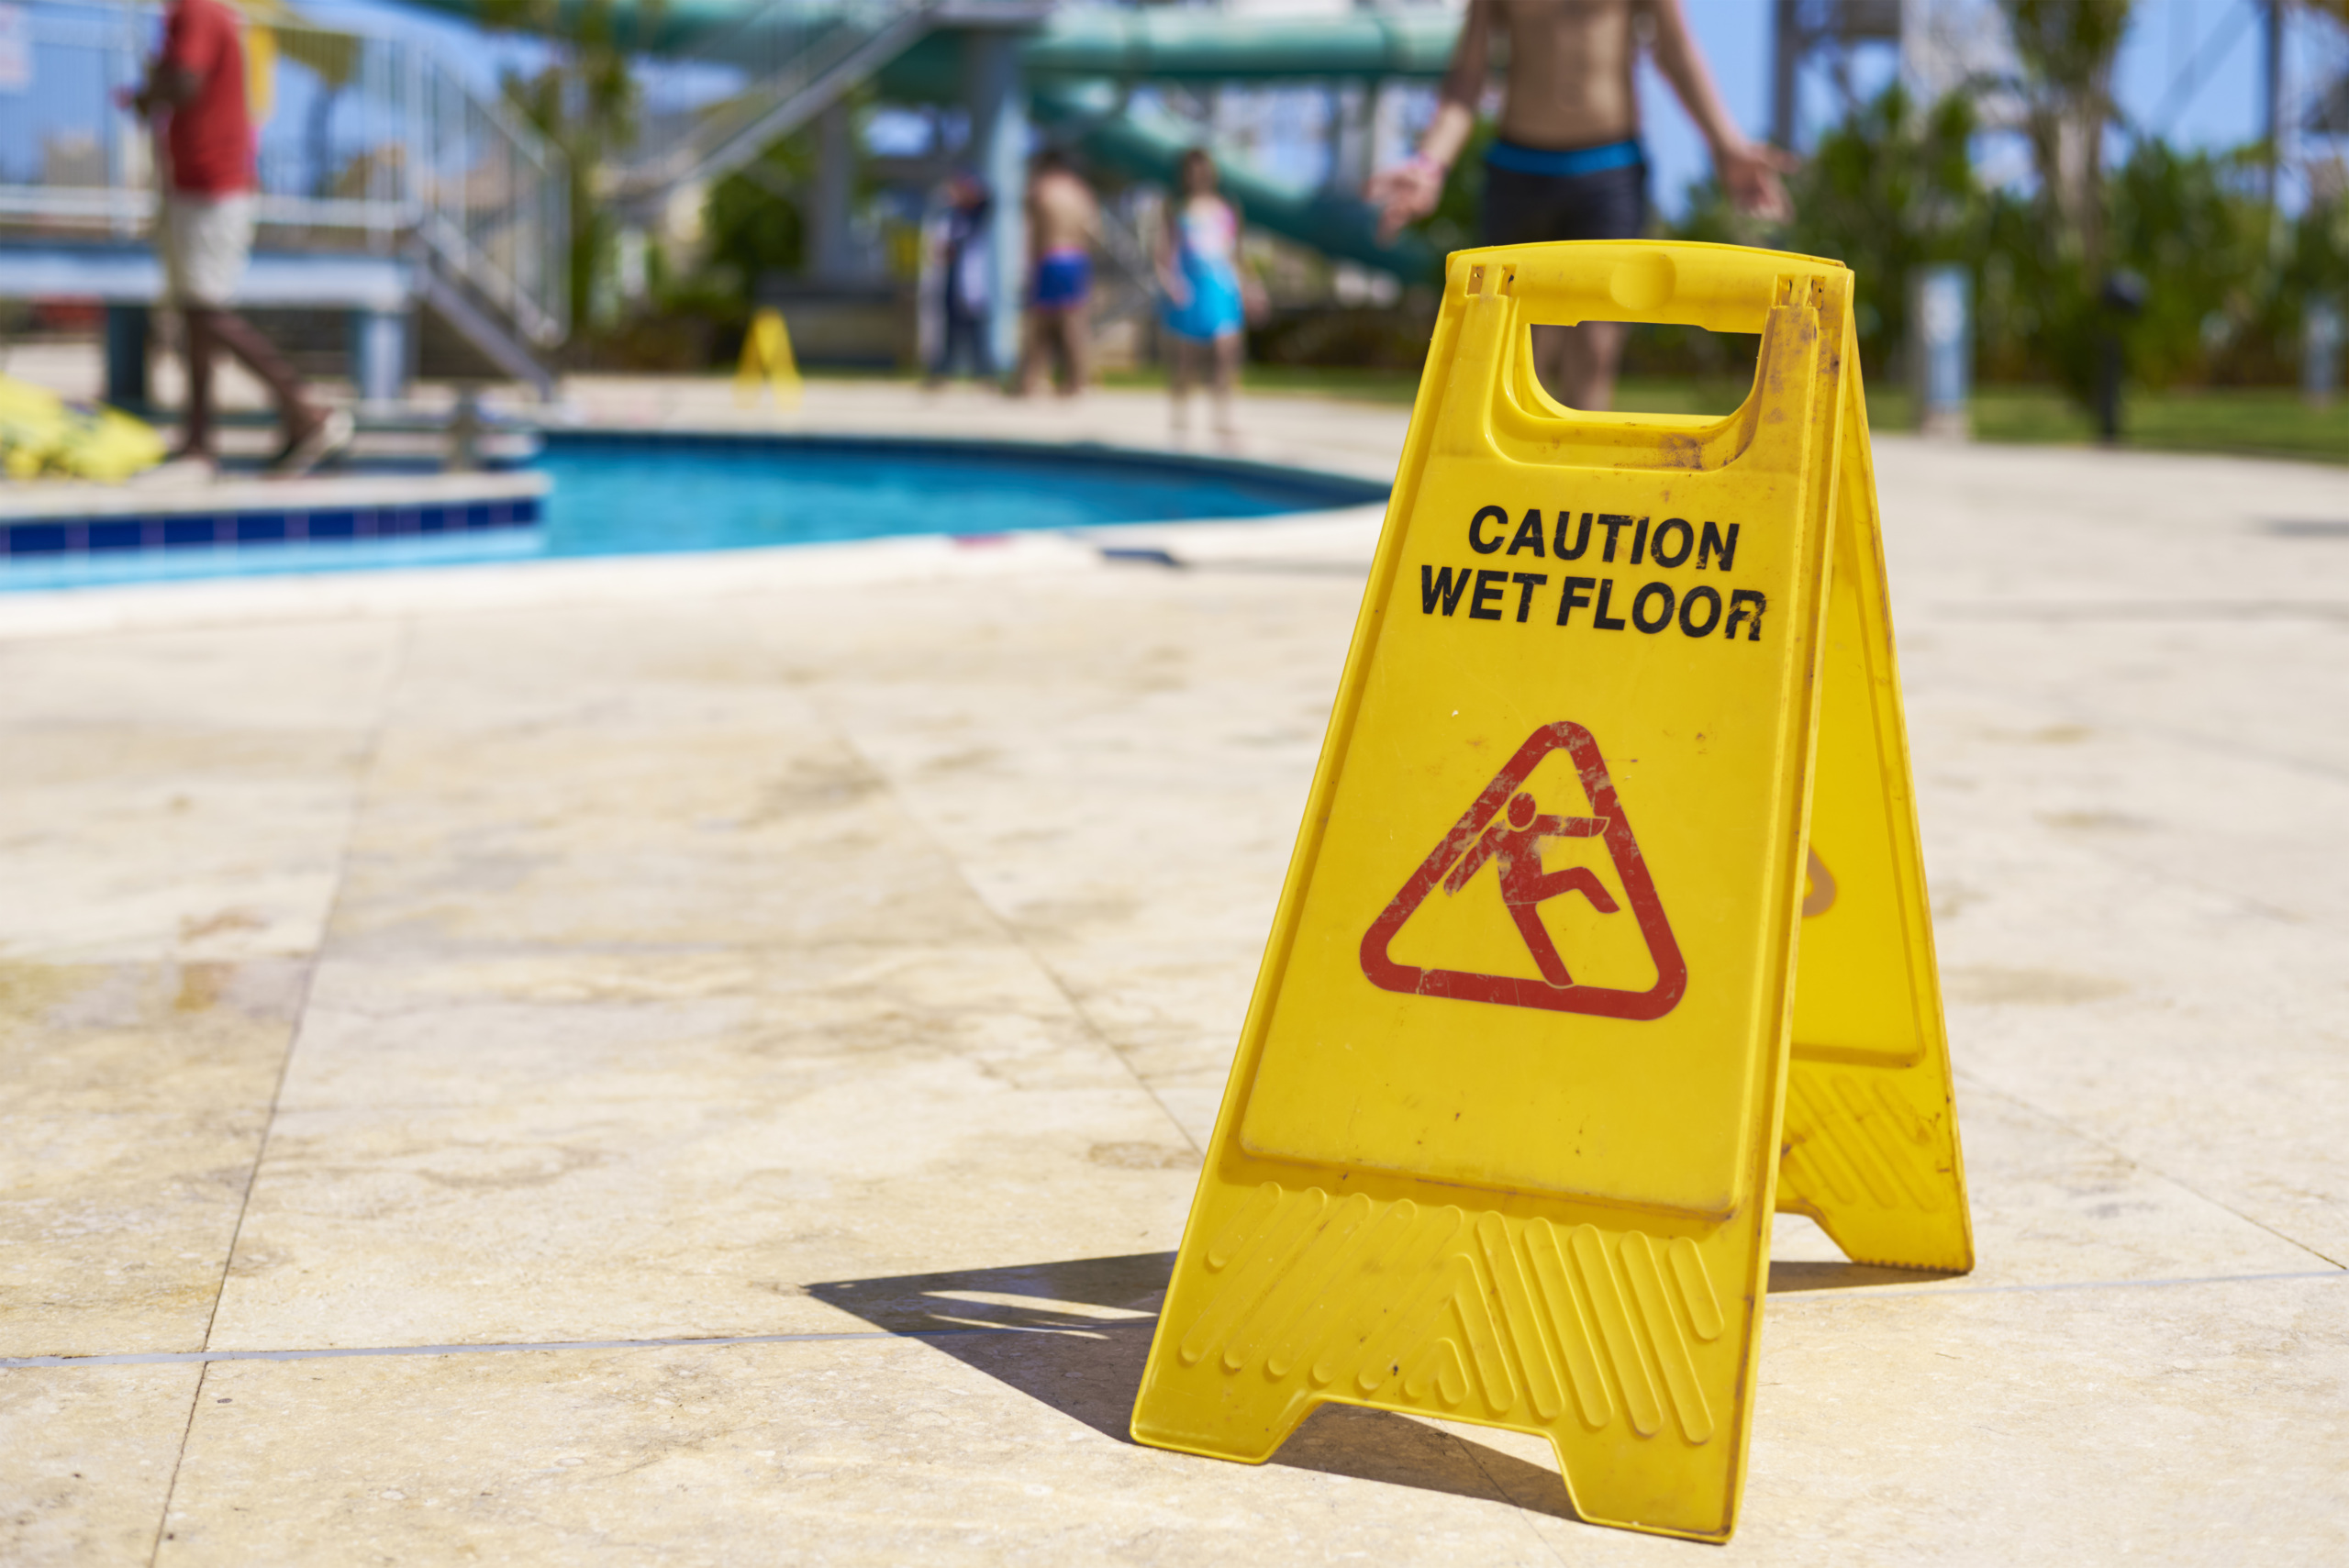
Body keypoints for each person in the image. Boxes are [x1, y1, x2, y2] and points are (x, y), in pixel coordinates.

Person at [1368, 0, 1794, 413]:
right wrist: (1430, 163)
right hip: (1519, 170)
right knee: (1519, 350)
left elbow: (1676, 51)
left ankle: (1581, 460)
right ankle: (1525, 461)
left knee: (1596, 347)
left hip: (1608, 170)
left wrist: (1727, 146)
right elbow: (1468, 75)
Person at [129, 0, 351, 477]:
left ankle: (306, 411)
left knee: (205, 311)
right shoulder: (202, 11)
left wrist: (147, 94)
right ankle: (199, 443)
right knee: (196, 313)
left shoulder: (197, 9)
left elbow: (186, 83)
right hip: (200, 183)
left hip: (210, 185)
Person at [1156, 148, 1259, 445]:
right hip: (1189, 289)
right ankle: (1180, 420)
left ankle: (1223, 419)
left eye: (1203, 168)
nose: (1198, 175)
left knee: (1226, 354)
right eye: (1192, 169)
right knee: (1185, 361)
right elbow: (1162, 254)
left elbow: (1238, 254)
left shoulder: (1227, 208)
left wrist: (1252, 286)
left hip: (1222, 288)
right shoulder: (1176, 209)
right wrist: (1169, 283)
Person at [1018, 148, 1100, 399]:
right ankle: (1077, 381)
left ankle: (1029, 380)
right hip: (1077, 257)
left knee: (1040, 321)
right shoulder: (1080, 191)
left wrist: (1029, 265)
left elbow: (1033, 232)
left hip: (1051, 255)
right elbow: (1094, 230)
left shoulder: (1041, 188)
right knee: (1074, 321)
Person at [927, 172, 995, 387]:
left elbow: (988, 200)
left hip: (972, 284)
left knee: (976, 333)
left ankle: (984, 373)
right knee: (949, 332)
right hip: (951, 282)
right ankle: (942, 372)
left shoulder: (975, 218)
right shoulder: (951, 218)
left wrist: (966, 190)